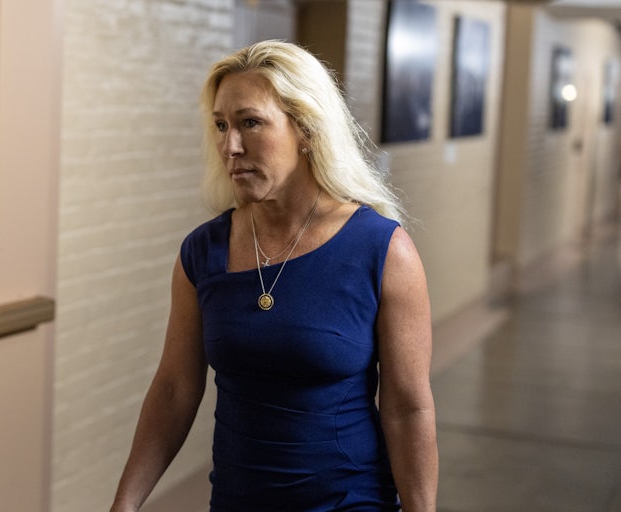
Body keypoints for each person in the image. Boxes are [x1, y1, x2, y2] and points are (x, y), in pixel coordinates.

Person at [110, 40, 437, 512]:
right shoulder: (203, 252)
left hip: (348, 503)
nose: (230, 146)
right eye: (221, 125)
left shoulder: (381, 249)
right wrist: (125, 504)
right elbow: (175, 389)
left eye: (250, 122)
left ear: (305, 128)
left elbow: (408, 408)